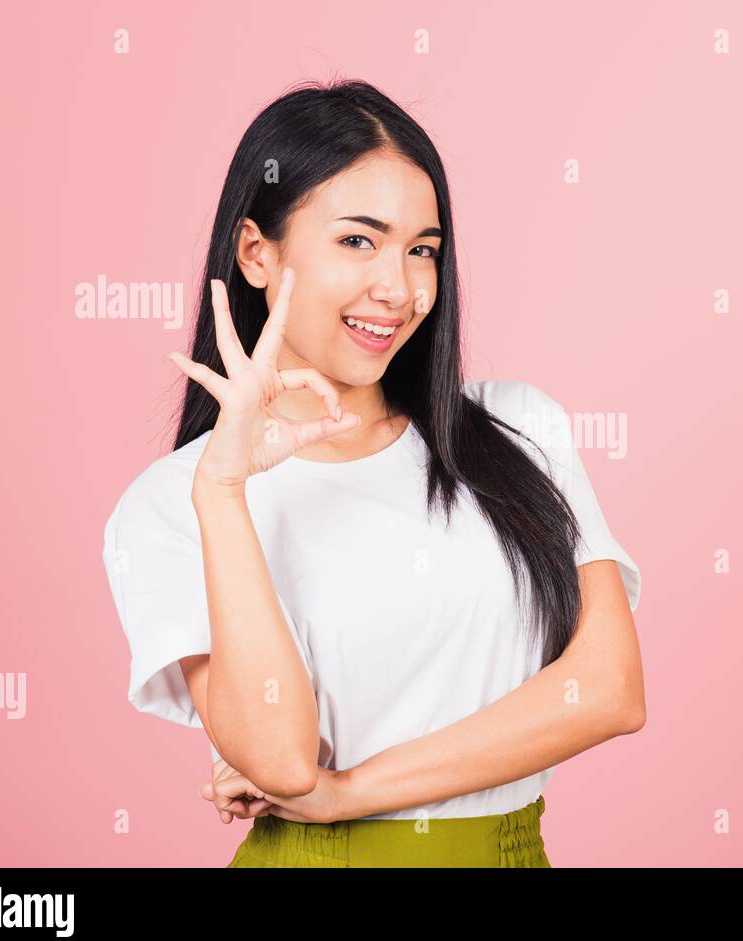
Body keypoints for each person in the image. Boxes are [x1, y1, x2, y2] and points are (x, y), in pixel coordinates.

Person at [100, 79, 645, 868]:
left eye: (422, 248)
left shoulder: (521, 429)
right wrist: (223, 490)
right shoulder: (172, 505)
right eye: (359, 241)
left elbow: (608, 690)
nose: (400, 287)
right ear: (258, 252)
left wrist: (350, 788)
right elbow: (283, 762)